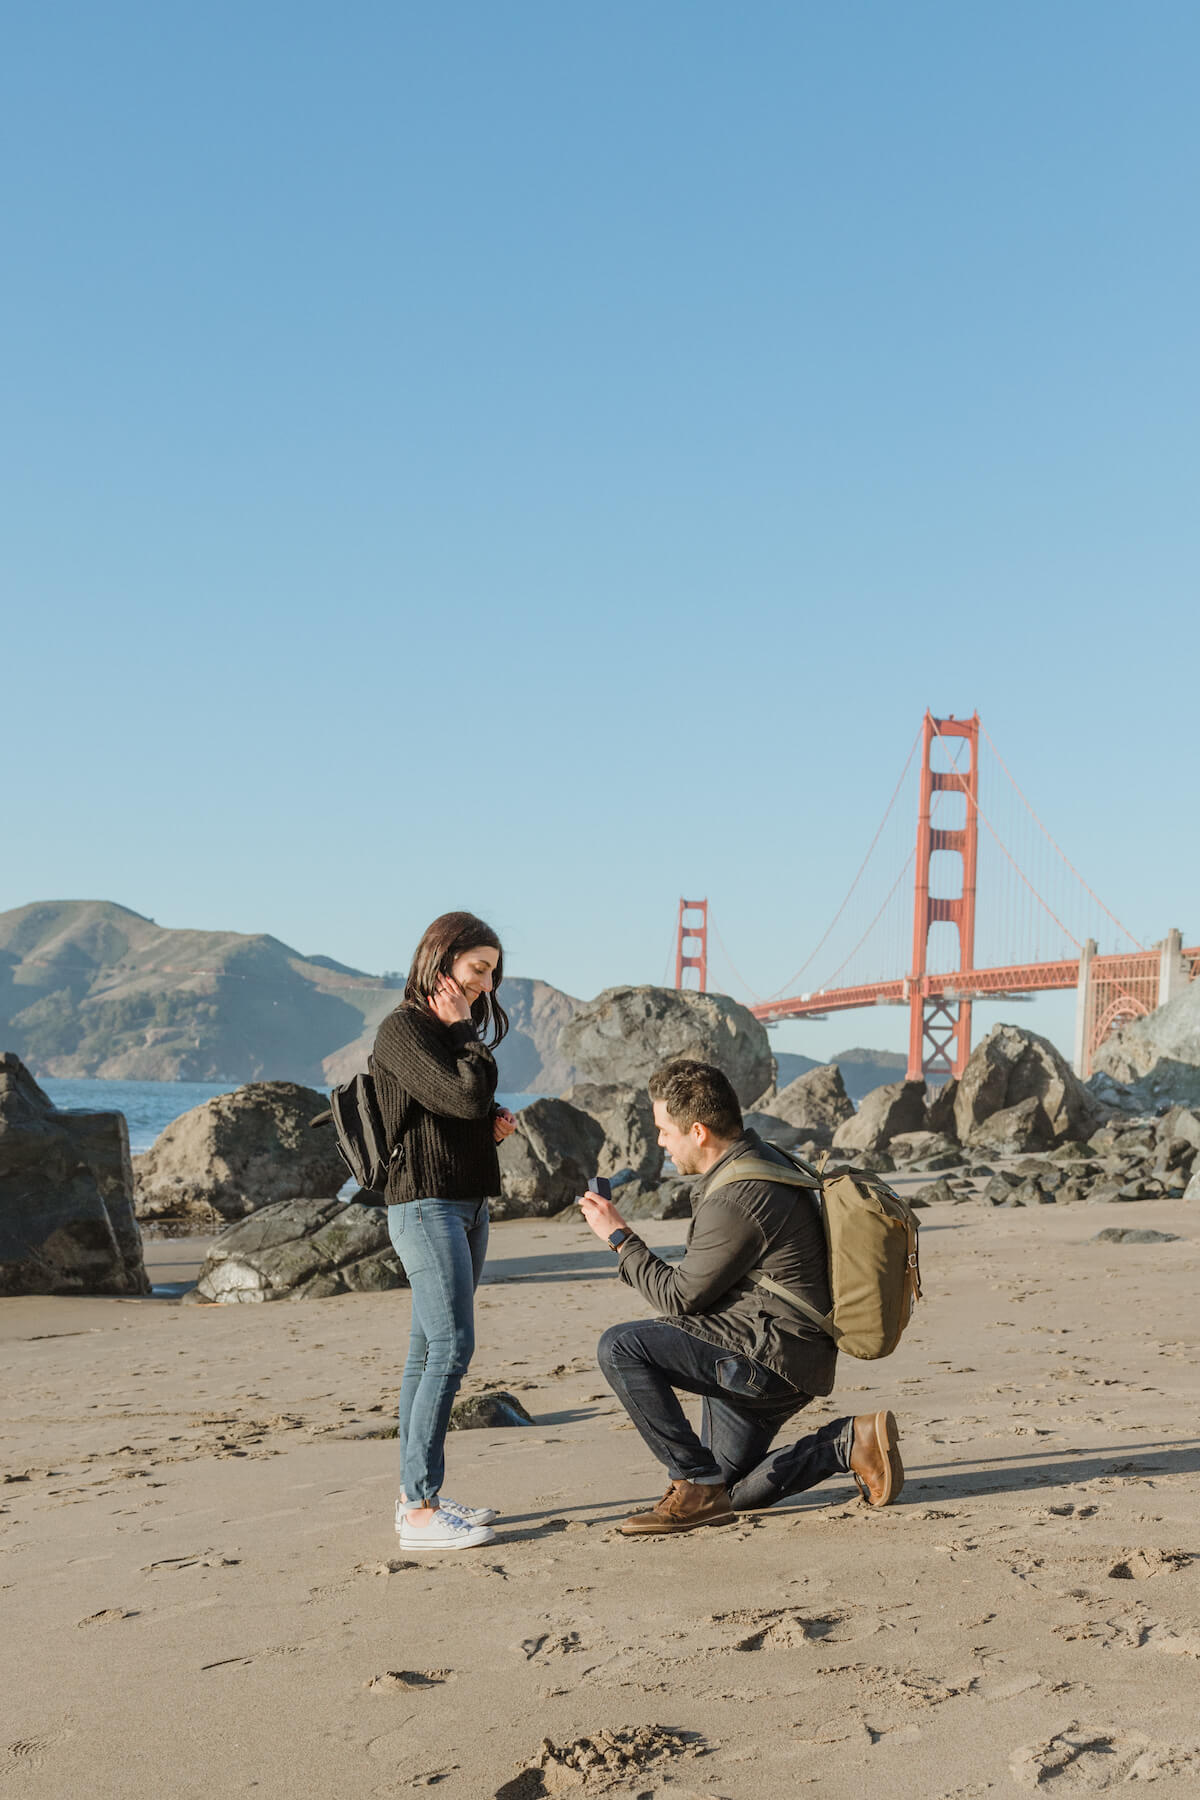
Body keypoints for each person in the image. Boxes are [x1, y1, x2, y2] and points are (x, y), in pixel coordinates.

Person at [578, 1059, 903, 1535]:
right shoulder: (761, 1158)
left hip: (765, 1361)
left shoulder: (737, 1195)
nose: (660, 1143)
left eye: (664, 1131)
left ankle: (691, 1482)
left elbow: (678, 1297)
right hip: (787, 1355)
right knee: (727, 1491)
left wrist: (620, 1239)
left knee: (621, 1347)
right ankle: (845, 1444)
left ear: (698, 1131)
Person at [372, 910, 518, 1553]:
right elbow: (461, 1096)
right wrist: (464, 1034)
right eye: (477, 970)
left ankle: (416, 1494)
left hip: (465, 1204)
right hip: (425, 1205)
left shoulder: (446, 1032)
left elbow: (462, 1104)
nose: (485, 986)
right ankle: (420, 1511)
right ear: (442, 962)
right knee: (453, 1345)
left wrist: (489, 1127)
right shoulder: (404, 1029)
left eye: (491, 973)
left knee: (426, 1350)